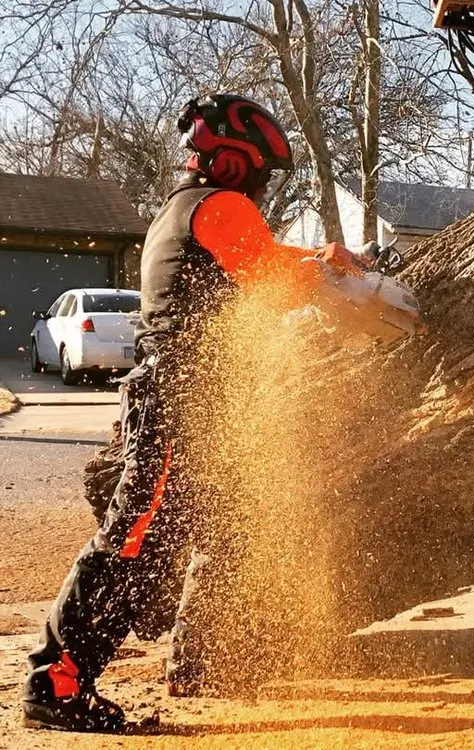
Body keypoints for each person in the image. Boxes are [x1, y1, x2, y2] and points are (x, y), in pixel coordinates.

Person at [22, 93, 357, 733]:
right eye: (259, 171)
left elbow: (266, 263)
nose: (260, 186)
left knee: (225, 528)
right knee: (136, 536)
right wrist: (329, 273)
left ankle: (207, 660)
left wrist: (322, 262)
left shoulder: (188, 208)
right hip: (177, 397)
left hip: (199, 403)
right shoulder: (219, 205)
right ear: (234, 162)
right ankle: (54, 681)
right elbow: (270, 277)